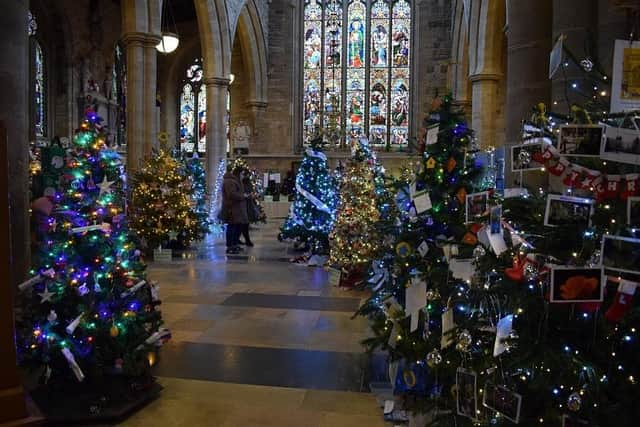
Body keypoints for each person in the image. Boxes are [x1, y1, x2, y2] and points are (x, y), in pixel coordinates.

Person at [222, 165, 249, 254]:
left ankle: (235, 244)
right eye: (242, 174)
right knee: (232, 227)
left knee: (237, 226)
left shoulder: (236, 181)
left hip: (237, 208)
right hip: (232, 208)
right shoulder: (230, 181)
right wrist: (243, 196)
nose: (243, 176)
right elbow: (231, 194)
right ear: (238, 174)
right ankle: (230, 246)